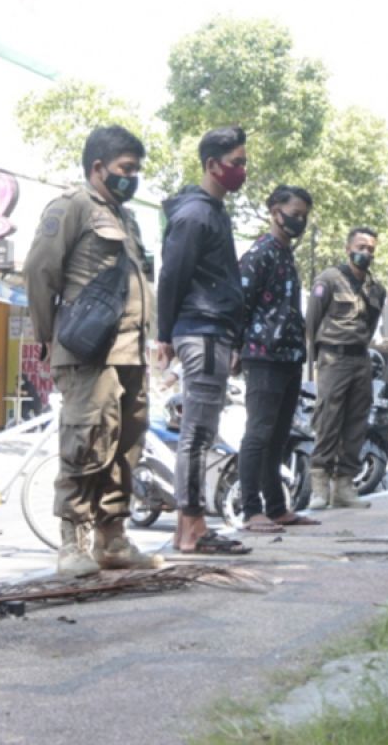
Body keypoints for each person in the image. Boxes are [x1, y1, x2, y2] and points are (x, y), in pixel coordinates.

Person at [24, 125, 163, 576]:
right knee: (86, 443)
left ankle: (113, 539)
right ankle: (72, 543)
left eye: (136, 170)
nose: (132, 178)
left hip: (130, 352)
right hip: (89, 352)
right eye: (125, 169)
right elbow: (40, 270)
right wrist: (47, 336)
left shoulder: (127, 219)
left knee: (125, 447)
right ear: (98, 167)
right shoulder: (72, 207)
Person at [155, 126, 252, 556]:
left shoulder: (213, 211)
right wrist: (164, 336)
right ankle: (193, 527)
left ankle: (186, 530)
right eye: (236, 162)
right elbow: (171, 275)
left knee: (199, 431)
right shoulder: (196, 214)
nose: (242, 170)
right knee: (198, 433)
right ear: (212, 165)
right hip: (202, 330)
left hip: (211, 331)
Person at [234, 185, 322, 533]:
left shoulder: (286, 253)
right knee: (258, 433)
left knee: (279, 435)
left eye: (303, 216)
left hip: (288, 357)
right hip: (263, 356)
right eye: (294, 213)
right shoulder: (260, 253)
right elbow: (239, 304)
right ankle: (251, 510)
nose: (298, 221)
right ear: (274, 212)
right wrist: (235, 349)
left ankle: (276, 507)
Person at [304, 227, 387, 509]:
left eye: (371, 249)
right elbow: (312, 321)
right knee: (328, 420)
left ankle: (344, 485)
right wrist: (317, 359)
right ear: (348, 248)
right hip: (332, 358)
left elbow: (371, 324)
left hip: (361, 359)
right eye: (361, 247)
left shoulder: (376, 289)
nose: (365, 253)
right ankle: (319, 486)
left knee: (356, 422)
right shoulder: (329, 279)